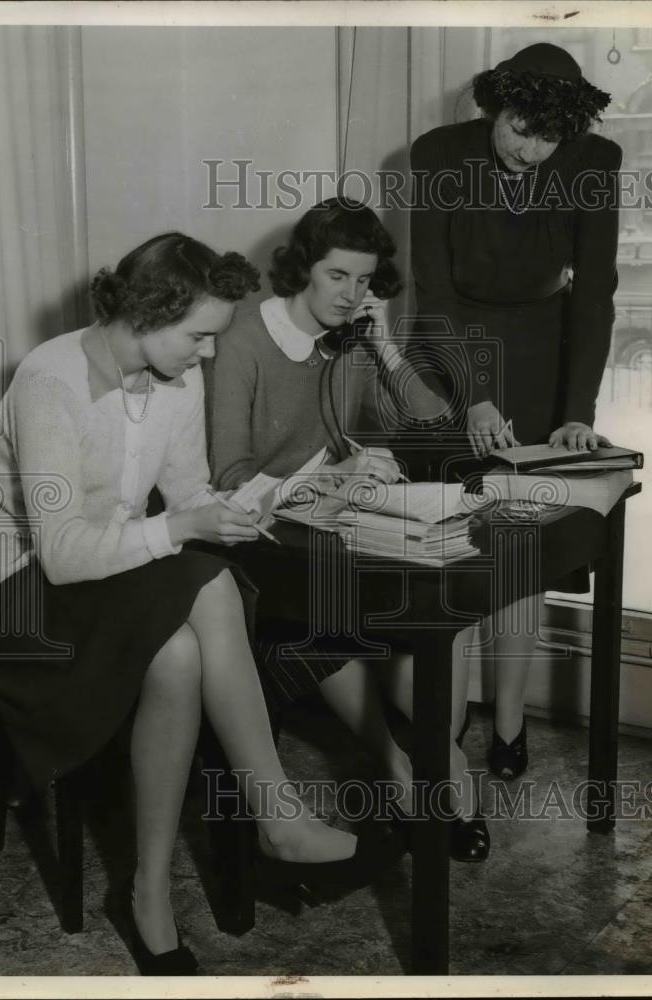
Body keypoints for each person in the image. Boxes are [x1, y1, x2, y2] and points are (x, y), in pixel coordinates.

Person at [0, 232, 401, 977]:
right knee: (209, 582)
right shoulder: (50, 381)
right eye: (199, 335)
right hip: (28, 595)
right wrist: (185, 527)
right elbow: (66, 555)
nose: (207, 353)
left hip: (115, 579)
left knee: (180, 648)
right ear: (143, 312)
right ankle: (280, 819)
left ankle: (149, 896)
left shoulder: (175, 376)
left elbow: (191, 494)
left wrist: (252, 507)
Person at [209, 197, 489, 862]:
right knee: (336, 613)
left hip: (330, 526)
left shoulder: (356, 337)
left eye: (364, 280)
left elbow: (435, 422)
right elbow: (229, 474)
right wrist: (332, 475)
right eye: (337, 276)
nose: (350, 293)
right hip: (259, 534)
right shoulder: (246, 339)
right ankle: (407, 766)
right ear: (304, 268)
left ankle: (430, 762)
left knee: (444, 586)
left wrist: (385, 345)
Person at [409, 42, 621, 778]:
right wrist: (473, 396)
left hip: (542, 354)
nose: (529, 151)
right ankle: (449, 719)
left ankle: (508, 724)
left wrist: (575, 410)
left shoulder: (596, 163)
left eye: (547, 138)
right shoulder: (437, 154)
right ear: (495, 105)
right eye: (518, 129)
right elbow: (430, 291)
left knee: (521, 555)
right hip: (451, 352)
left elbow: (593, 295)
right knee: (458, 546)